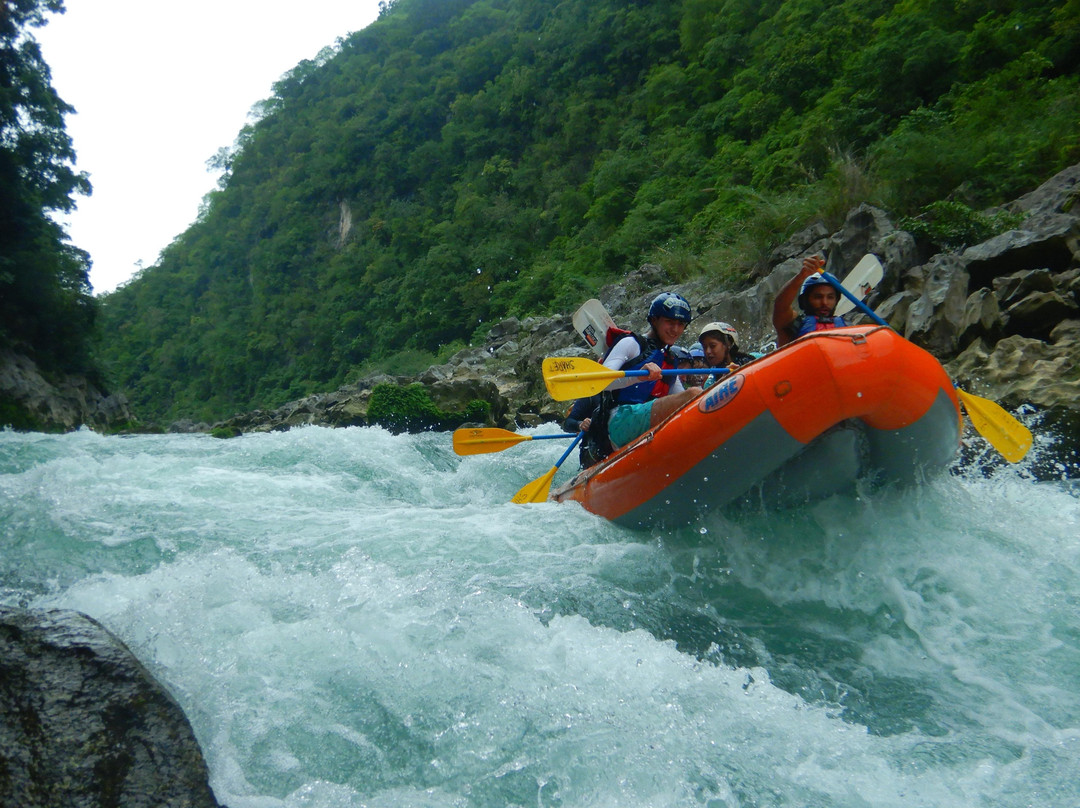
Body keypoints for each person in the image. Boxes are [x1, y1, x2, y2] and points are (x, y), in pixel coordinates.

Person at [586, 292, 703, 456]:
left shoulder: (670, 359)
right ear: (654, 320)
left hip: (646, 420)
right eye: (669, 322)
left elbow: (684, 400)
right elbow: (602, 381)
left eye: (681, 324)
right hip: (618, 420)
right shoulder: (631, 343)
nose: (675, 329)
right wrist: (638, 376)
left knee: (698, 398)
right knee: (695, 394)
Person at [772, 255, 847, 347]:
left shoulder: (847, 326)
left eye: (830, 297)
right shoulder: (793, 325)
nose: (825, 302)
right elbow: (780, 306)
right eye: (818, 297)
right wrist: (801, 276)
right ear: (805, 300)